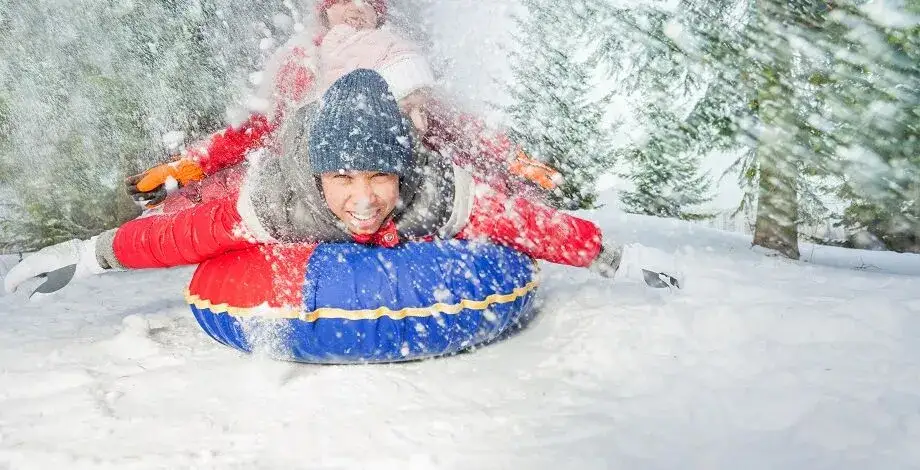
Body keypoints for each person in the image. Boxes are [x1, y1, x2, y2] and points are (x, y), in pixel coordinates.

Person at [4, 70, 681, 298]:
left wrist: (618, 260)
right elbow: (180, 236)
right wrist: (86, 259)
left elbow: (529, 227)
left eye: (381, 176)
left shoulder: (437, 195)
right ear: (320, 175)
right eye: (344, 178)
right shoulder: (276, 202)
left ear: (403, 172)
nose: (363, 199)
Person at [127, 0, 560, 210]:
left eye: (366, 5)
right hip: (315, 177)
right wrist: (188, 167)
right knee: (246, 186)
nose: (355, 11)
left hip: (387, 179)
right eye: (343, 3)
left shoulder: (395, 55)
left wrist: (513, 161)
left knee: (450, 174)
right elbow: (261, 128)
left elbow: (452, 125)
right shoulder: (304, 62)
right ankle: (151, 218)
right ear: (324, 13)